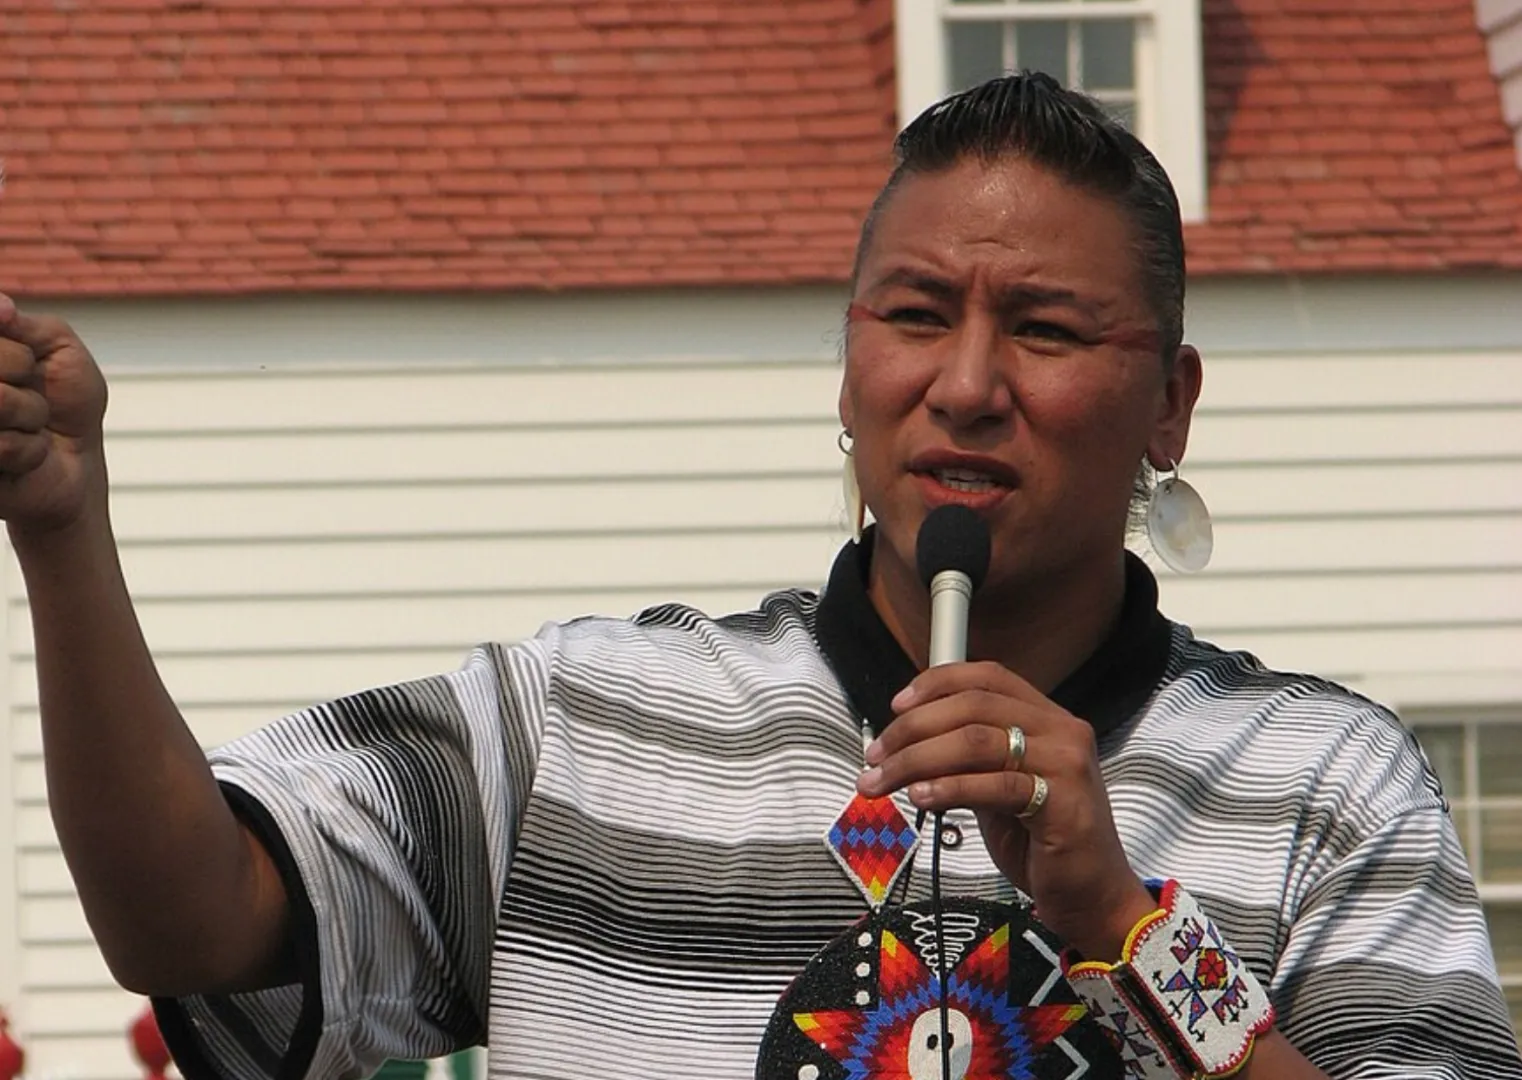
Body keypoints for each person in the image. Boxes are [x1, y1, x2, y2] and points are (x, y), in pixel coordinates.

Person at [0, 73, 1517, 1080]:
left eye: (1047, 332)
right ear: (848, 360)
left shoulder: (1327, 784)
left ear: (1171, 403)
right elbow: (187, 922)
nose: (967, 384)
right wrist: (67, 537)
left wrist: (1126, 923)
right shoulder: (585, 724)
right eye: (915, 313)